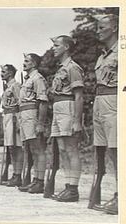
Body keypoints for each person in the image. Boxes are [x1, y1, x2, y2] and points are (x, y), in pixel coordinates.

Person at [49, 35, 84, 202]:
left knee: (71, 149)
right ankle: (68, 185)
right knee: (62, 149)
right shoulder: (60, 68)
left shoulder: (73, 68)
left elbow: (79, 96)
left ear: (66, 47)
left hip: (68, 106)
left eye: (56, 45)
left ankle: (74, 189)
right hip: (58, 107)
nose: (53, 48)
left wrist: (77, 120)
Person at [92, 14, 118, 215]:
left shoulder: (121, 51)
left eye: (102, 28)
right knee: (108, 149)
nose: (98, 31)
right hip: (100, 102)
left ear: (115, 28)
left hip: (115, 101)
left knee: (118, 150)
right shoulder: (103, 56)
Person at [17, 55, 48, 193]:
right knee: (30, 149)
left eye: (27, 61)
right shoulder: (27, 80)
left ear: (34, 64)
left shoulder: (38, 78)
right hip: (24, 115)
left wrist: (40, 123)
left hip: (32, 114)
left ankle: (40, 181)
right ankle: (35, 180)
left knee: (37, 149)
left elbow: (43, 101)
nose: (24, 64)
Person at [0, 64, 23, 187]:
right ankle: (15, 173)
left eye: (3, 71)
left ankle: (18, 175)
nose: (1, 74)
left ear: (10, 73)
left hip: (14, 117)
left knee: (16, 146)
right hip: (7, 116)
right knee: (11, 147)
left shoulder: (16, 86)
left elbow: (21, 102)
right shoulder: (7, 87)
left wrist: (20, 121)